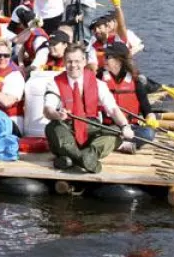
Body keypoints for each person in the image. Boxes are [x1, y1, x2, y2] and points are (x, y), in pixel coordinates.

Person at [42, 44, 134, 173]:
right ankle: (85, 159)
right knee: (52, 127)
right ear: (64, 62)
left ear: (84, 61)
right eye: (69, 61)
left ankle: (71, 159)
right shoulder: (54, 83)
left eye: (77, 61)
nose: (73, 65)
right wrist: (57, 115)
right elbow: (47, 109)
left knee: (116, 132)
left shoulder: (98, 84)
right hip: (67, 128)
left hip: (91, 127)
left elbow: (113, 109)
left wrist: (125, 126)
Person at [99, 41, 156, 146]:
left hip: (130, 128)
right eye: (104, 56)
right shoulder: (99, 77)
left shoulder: (136, 81)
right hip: (107, 126)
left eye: (108, 57)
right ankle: (122, 143)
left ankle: (118, 143)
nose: (104, 59)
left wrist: (151, 117)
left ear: (119, 61)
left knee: (149, 133)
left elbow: (147, 109)